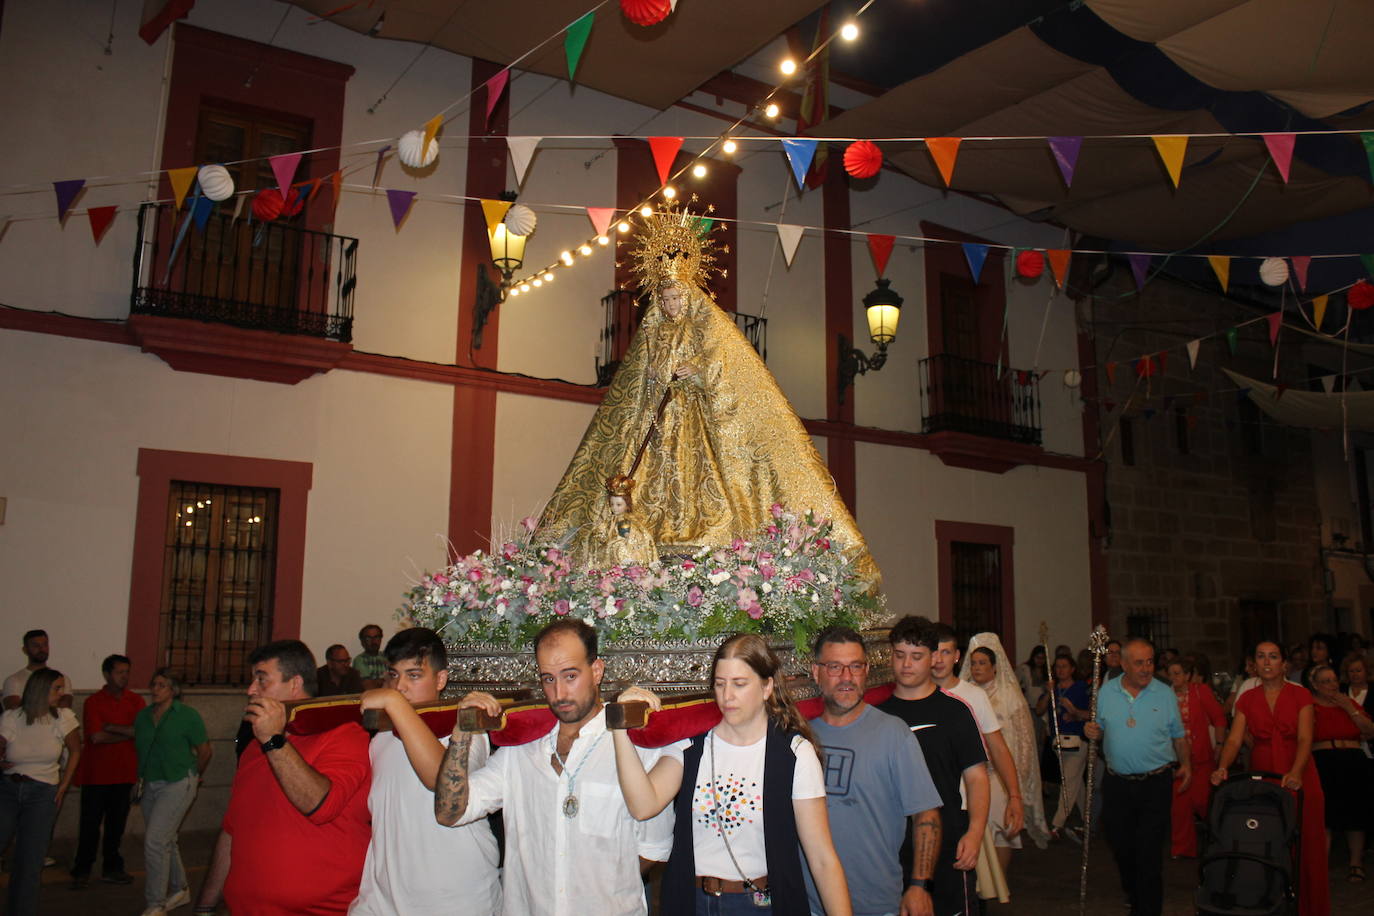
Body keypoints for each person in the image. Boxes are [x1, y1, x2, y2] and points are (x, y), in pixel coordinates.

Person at [537, 207, 878, 586]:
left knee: (702, 476)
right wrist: (653, 377)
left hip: (697, 420)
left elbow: (725, 366)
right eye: (664, 299)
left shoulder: (708, 326)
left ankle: (705, 536)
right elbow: (638, 379)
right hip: (656, 420)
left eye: (676, 298)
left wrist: (698, 372)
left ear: (689, 295)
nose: (670, 306)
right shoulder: (653, 331)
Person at [435, 619, 686, 916]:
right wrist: (462, 730)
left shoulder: (637, 745)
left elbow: (653, 850)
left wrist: (598, 888)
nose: (559, 693)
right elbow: (450, 812)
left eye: (570, 676)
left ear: (596, 671)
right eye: (548, 679)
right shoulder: (522, 748)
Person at [610, 633, 851, 915]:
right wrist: (618, 725)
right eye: (720, 684)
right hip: (693, 901)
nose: (727, 696)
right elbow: (643, 805)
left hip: (759, 905)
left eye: (739, 684)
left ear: (766, 687)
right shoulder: (691, 744)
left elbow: (822, 857)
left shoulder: (794, 754)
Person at [195, 640, 371, 915]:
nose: (250, 690)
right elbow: (232, 830)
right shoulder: (255, 748)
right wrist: (205, 904)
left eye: (262, 680)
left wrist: (272, 740)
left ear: (295, 684)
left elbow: (319, 805)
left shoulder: (344, 735)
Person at [352, 627, 501, 915]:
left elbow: (437, 780)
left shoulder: (467, 730)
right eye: (393, 675)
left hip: (455, 902)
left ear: (441, 679)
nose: (400, 687)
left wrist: (394, 704)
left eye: (414, 675)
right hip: (384, 902)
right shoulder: (382, 736)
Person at [800, 626, 942, 916]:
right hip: (810, 904)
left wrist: (919, 885)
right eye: (835, 667)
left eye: (855, 666)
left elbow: (926, 815)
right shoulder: (799, 739)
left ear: (866, 671)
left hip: (877, 904)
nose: (847, 678)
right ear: (816, 673)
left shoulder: (893, 734)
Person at [878, 616, 989, 916]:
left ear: (932, 658)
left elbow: (977, 777)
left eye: (916, 656)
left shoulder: (955, 712)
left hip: (948, 838)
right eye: (899, 655)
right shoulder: (879, 715)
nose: (906, 665)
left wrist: (975, 831)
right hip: (893, 845)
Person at [1211, 641, 1328, 915]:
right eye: (1261, 657)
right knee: (1268, 839)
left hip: (1299, 771)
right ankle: (1270, 902)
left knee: (1306, 844)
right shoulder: (1247, 699)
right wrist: (1223, 766)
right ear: (1254, 663)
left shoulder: (1300, 695)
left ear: (1283, 663)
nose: (1266, 662)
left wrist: (1296, 772)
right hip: (1265, 776)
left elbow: (1305, 738)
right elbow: (1234, 739)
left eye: (1273, 657)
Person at [1083, 638, 1189, 916]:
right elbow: (1101, 729)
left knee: (1150, 853)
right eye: (1139, 663)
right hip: (1117, 783)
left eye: (1150, 661)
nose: (1146, 668)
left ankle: (1146, 909)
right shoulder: (1106, 693)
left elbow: (1179, 735)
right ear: (1124, 665)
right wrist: (1093, 732)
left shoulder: (1164, 693)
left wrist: (1186, 764)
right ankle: (1134, 891)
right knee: (1121, 846)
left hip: (1156, 782)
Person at [928, 625, 1024, 856]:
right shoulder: (915, 693)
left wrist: (1014, 795)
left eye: (946, 652)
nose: (939, 660)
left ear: (957, 656)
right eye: (934, 652)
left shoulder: (974, 696)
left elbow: (998, 748)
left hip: (964, 799)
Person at [961, 633, 1050, 874]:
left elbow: (1023, 740)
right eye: (974, 663)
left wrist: (1017, 778)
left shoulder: (1009, 696)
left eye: (982, 663)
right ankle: (978, 879)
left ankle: (998, 880)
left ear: (994, 667)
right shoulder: (964, 694)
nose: (977, 668)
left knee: (1001, 829)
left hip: (998, 773)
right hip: (970, 771)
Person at [0, 668, 80, 916]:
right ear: (40, 689)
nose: (61, 693)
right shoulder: (13, 717)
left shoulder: (63, 717)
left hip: (42, 793)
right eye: (56, 689)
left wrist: (63, 785)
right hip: (9, 789)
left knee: (30, 860)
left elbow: (76, 750)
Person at [135, 668, 211, 916]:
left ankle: (156, 903)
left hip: (179, 781)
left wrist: (195, 776)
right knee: (166, 839)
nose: (156, 689)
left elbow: (204, 750)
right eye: (154, 684)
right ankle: (180, 889)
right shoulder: (144, 716)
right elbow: (141, 746)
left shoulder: (187, 716)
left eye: (162, 685)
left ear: (173, 690)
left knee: (155, 841)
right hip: (152, 782)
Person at [71, 653, 144, 889]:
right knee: (90, 825)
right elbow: (96, 736)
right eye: (119, 672)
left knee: (116, 826)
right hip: (97, 775)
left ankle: (112, 867)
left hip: (124, 773)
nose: (124, 677)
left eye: (127, 672)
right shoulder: (94, 701)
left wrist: (112, 728)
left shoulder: (135, 701)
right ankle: (82, 869)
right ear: (107, 674)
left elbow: (140, 732)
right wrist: (126, 731)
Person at [1308, 664, 1374, 882]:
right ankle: (1322, 864)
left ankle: (1356, 863)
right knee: (1325, 814)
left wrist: (1350, 709)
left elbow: (1369, 731)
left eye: (1334, 680)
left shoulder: (1349, 703)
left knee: (1355, 813)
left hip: (1353, 760)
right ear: (1315, 685)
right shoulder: (1310, 706)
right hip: (1324, 761)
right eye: (1325, 681)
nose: (1332, 685)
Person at [1165, 657, 1224, 858]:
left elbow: (1218, 717)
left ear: (1188, 675)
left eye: (1178, 673)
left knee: (1202, 800)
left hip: (1201, 755)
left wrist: (1220, 743)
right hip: (1178, 758)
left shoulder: (1200, 692)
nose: (1174, 678)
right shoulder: (1166, 696)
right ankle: (1182, 849)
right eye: (1171, 674)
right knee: (1179, 806)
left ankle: (1220, 840)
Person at [1035, 655, 1089, 841]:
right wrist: (1048, 693)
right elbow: (1039, 710)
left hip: (1078, 741)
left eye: (1064, 666)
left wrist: (1074, 712)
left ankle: (1057, 825)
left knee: (1068, 782)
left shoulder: (1081, 688)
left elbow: (1090, 714)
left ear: (1072, 669)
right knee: (1076, 785)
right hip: (1058, 742)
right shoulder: (1054, 689)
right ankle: (1086, 820)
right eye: (1058, 667)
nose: (1060, 670)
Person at [577, 474, 658, 570]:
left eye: (619, 504)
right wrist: (598, 533)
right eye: (612, 504)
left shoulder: (632, 523)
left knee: (618, 546)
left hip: (626, 555)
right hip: (608, 556)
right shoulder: (609, 521)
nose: (614, 508)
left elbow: (630, 541)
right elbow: (601, 537)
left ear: (627, 505)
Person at [3, 629, 72, 710]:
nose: (41, 649)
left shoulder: (61, 678)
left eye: (45, 645)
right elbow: (14, 709)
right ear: (25, 650)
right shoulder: (14, 680)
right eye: (36, 645)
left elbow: (64, 708)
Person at [1016, 645, 1049, 749]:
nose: (1040, 661)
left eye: (1042, 658)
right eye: (1037, 658)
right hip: (1030, 707)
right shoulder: (1025, 669)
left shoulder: (1047, 671)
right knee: (1031, 737)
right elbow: (1015, 684)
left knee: (1042, 738)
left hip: (1044, 708)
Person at [354, 625, 387, 690]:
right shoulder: (359, 660)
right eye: (368, 638)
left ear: (380, 639)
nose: (373, 641)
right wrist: (387, 680)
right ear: (362, 641)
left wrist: (377, 682)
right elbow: (368, 687)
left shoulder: (389, 657)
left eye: (376, 637)